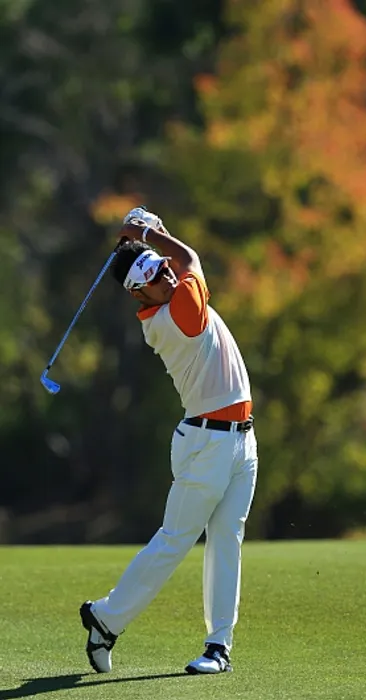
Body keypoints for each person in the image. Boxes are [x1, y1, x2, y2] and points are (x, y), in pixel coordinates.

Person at [80, 207, 258, 675]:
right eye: (156, 276)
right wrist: (153, 232)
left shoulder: (169, 300)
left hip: (241, 441)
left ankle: (218, 647)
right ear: (139, 293)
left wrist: (141, 241)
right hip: (207, 445)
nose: (168, 275)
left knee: (227, 540)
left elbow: (180, 265)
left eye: (163, 267)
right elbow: (191, 258)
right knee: (175, 540)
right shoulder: (178, 314)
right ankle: (106, 618)